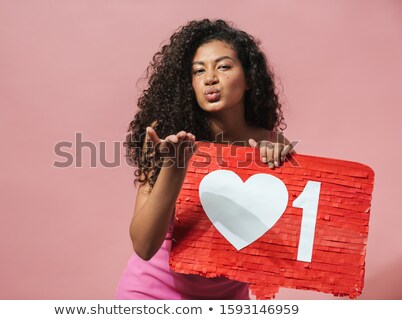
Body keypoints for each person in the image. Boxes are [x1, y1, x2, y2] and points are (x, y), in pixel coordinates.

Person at [116, 19, 294, 299]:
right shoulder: (168, 139)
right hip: (153, 295)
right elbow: (144, 245)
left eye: (223, 66)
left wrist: (281, 169)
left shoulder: (270, 144)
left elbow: (281, 241)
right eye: (198, 71)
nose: (210, 78)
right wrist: (173, 169)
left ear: (249, 78)